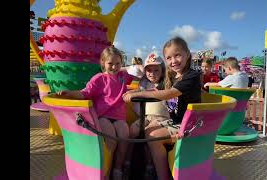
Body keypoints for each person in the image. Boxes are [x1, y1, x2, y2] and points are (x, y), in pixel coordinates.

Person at [123, 36, 201, 180]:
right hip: (175, 122)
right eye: (169, 57)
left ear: (187, 54)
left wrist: (141, 93)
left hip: (188, 125)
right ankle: (146, 167)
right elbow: (154, 88)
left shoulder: (191, 76)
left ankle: (161, 175)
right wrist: (134, 91)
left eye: (177, 55)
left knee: (152, 136)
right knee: (146, 133)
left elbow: (169, 93)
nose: (173, 61)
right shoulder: (174, 76)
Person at [56, 46, 137, 180]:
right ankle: (107, 171)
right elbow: (85, 93)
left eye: (118, 63)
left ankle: (118, 169)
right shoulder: (99, 78)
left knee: (124, 138)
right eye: (110, 63)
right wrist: (69, 93)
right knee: (112, 141)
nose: (114, 67)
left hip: (119, 117)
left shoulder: (123, 76)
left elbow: (139, 72)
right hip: (103, 116)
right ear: (103, 63)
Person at [124, 52, 169, 180]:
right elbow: (132, 73)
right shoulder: (144, 83)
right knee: (132, 131)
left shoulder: (166, 84)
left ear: (162, 70)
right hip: (146, 116)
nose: (152, 73)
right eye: (149, 70)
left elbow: (156, 93)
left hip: (162, 118)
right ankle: (127, 163)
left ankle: (150, 167)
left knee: (150, 134)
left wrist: (139, 92)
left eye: (156, 70)